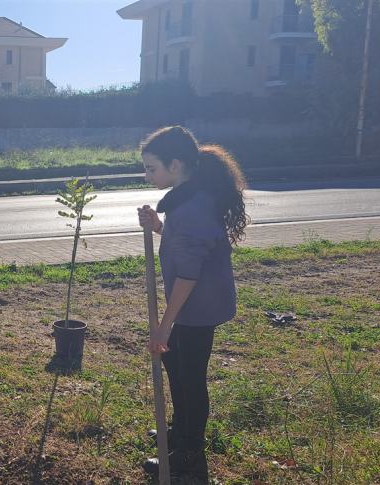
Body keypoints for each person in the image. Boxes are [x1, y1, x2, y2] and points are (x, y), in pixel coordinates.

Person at [137, 126, 248, 482]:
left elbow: (189, 275)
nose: (147, 175)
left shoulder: (191, 209)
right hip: (193, 303)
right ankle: (178, 430)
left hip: (199, 307)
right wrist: (158, 227)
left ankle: (189, 453)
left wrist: (163, 325)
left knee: (190, 375)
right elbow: (186, 242)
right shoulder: (187, 200)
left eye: (152, 168)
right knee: (175, 362)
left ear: (176, 165)